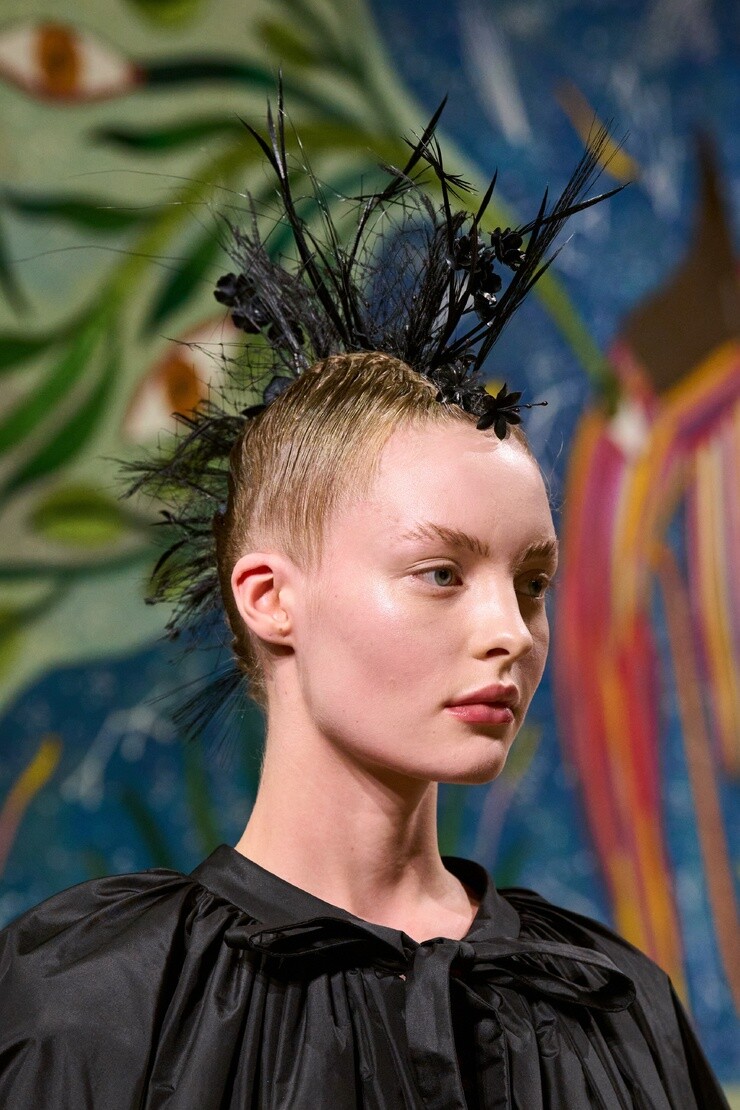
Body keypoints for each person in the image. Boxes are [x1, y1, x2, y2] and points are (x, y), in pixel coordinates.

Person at [0, 89, 729, 1109]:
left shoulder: (613, 1007)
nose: (511, 635)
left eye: (531, 583)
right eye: (440, 574)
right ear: (269, 597)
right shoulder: (99, 1004)